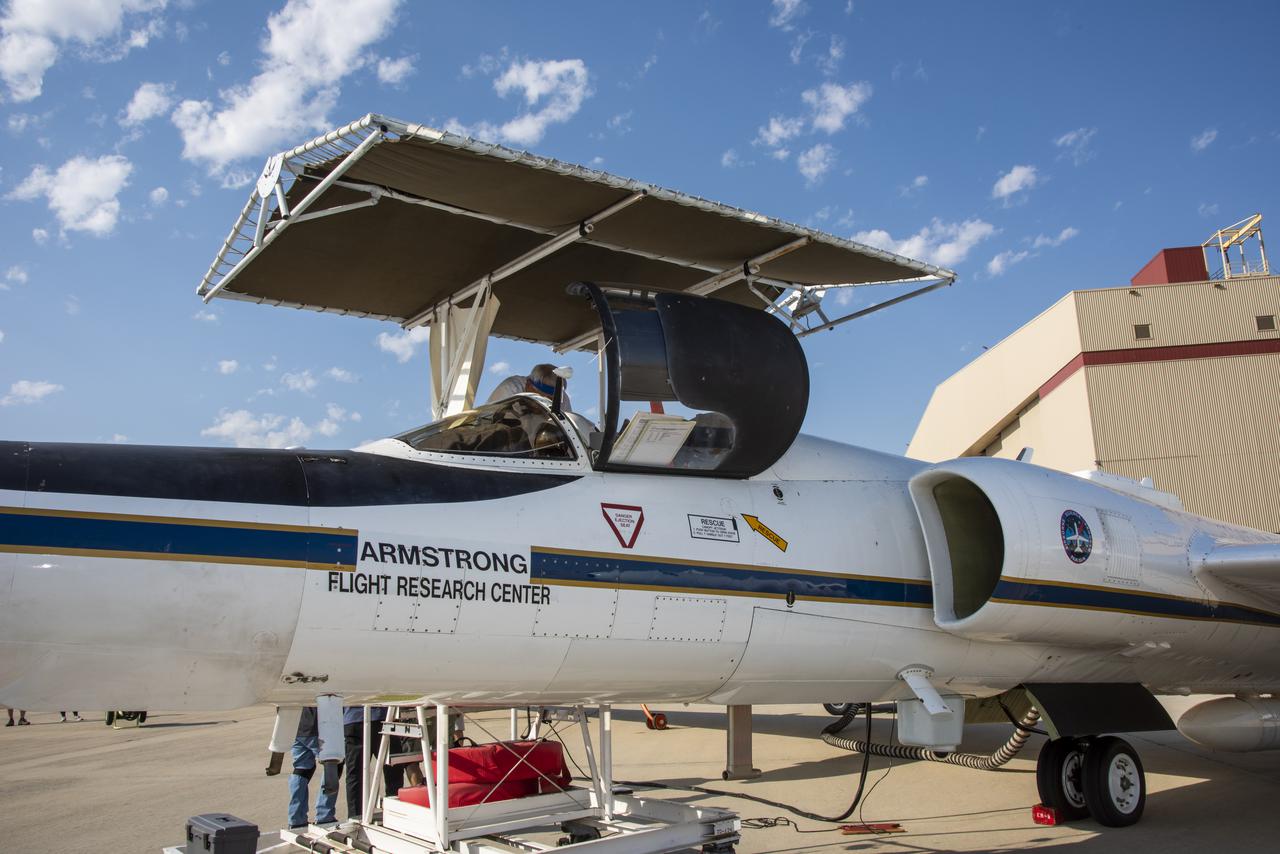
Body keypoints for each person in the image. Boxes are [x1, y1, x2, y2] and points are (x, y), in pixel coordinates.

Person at [343, 706, 403, 820]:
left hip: (354, 718)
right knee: (393, 769)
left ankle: (355, 817)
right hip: (382, 716)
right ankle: (394, 813)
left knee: (355, 773)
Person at [289, 707, 338, 829]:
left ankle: (296, 818)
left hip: (296, 727)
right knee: (332, 764)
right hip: (317, 726)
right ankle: (324, 815)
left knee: (301, 769)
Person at [487, 364, 572, 412]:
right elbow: (489, 419)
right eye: (541, 397)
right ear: (528, 385)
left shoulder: (562, 399)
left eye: (551, 399)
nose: (546, 403)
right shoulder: (511, 388)